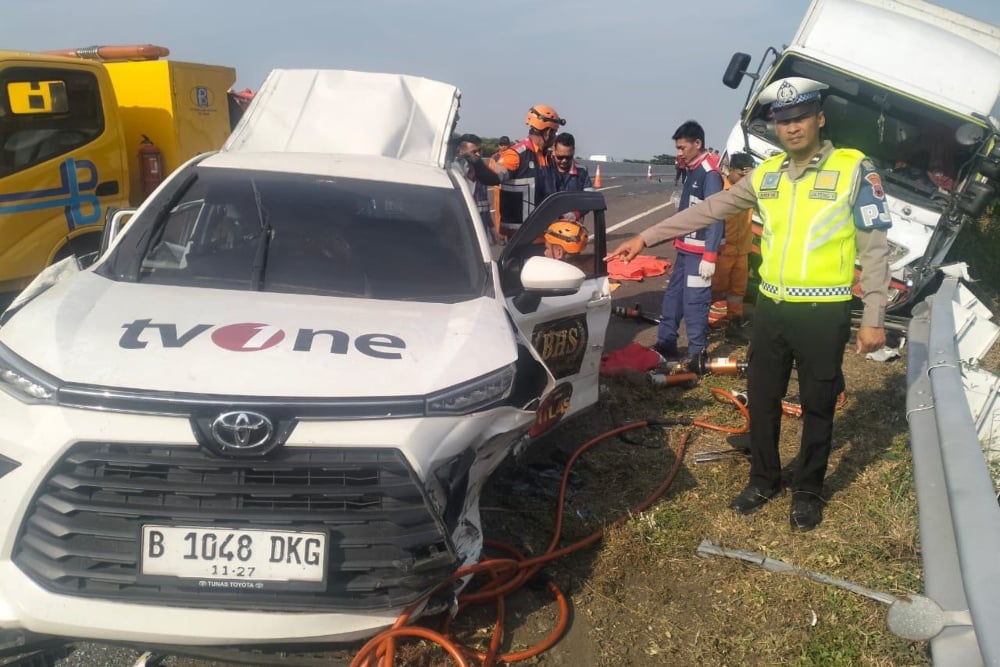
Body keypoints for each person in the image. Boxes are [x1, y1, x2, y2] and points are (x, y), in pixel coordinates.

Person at [606, 77, 892, 532]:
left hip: (824, 312)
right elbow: (709, 209)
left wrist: (874, 317)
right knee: (762, 400)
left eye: (800, 118)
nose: (792, 128)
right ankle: (764, 479)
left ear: (819, 119)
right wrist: (646, 236)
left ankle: (808, 491)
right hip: (772, 311)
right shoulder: (770, 173)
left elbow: (876, 249)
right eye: (783, 121)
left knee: (818, 405)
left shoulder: (853, 169)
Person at [653, 120, 725, 361]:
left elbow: (716, 215)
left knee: (695, 303)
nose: (679, 153)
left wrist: (710, 255)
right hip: (685, 250)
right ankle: (665, 344)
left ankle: (697, 354)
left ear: (698, 144)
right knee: (673, 298)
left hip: (699, 254)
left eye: (682, 148)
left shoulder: (709, 173)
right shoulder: (693, 169)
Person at [466, 106, 566, 240]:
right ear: (548, 132)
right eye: (554, 133)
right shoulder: (516, 155)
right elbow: (493, 178)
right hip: (521, 239)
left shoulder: (547, 157)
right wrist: (476, 162)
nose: (554, 138)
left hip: (544, 235)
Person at [710, 152, 755, 331]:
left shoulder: (750, 191)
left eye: (748, 176)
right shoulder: (718, 188)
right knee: (715, 287)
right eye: (742, 175)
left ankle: (734, 322)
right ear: (732, 170)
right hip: (723, 251)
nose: (745, 179)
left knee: (738, 290)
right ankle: (703, 322)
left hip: (741, 250)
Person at [455, 133, 496, 242]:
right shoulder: (455, 174)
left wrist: (492, 230)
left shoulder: (482, 173)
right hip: (462, 232)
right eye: (473, 152)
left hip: (481, 233)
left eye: (479, 151)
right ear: (461, 152)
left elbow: (484, 206)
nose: (478, 155)